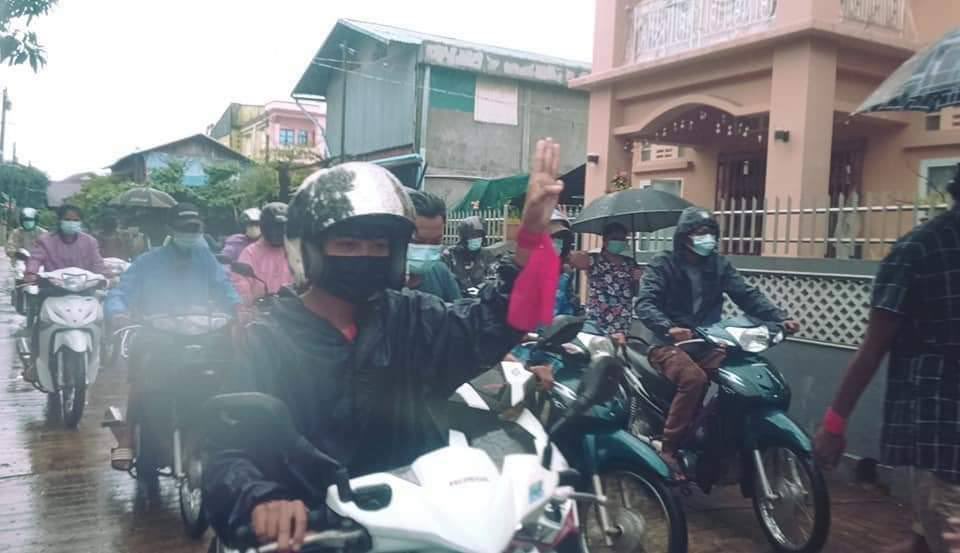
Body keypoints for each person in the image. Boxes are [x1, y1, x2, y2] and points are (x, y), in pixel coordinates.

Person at [203, 138, 564, 552]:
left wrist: (532, 236)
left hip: (419, 531)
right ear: (312, 250)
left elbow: (502, 321)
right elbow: (224, 452)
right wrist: (261, 499)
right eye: (348, 245)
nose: (366, 257)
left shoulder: (414, 317)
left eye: (379, 247)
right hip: (315, 534)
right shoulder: (261, 337)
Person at [814, 164, 960, 553]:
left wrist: (834, 423)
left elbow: (873, 348)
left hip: (941, 437)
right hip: (942, 437)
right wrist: (834, 423)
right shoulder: (920, 250)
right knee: (934, 530)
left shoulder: (917, 248)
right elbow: (874, 346)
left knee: (933, 531)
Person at [634, 207, 798, 475]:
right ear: (685, 236)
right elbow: (646, 303)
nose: (707, 238)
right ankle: (669, 448)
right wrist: (669, 327)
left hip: (708, 340)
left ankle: (719, 440)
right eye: (700, 233)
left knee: (744, 375)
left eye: (711, 232)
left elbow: (747, 295)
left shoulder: (719, 265)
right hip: (667, 343)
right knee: (693, 379)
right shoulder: (663, 264)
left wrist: (780, 317)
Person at [103, 202, 243, 471]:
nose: (189, 234)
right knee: (142, 379)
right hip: (157, 335)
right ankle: (129, 438)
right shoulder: (147, 261)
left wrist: (237, 307)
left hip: (202, 334)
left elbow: (225, 287)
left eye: (194, 229)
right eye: (184, 229)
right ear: (171, 230)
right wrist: (119, 312)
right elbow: (120, 293)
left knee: (228, 371)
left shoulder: (206, 260)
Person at [569, 222, 642, 342]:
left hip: (621, 320)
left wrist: (636, 279)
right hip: (598, 318)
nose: (618, 242)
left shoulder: (630, 263)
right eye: (614, 238)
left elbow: (634, 292)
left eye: (622, 239)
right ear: (605, 240)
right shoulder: (594, 260)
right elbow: (571, 259)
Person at [232, 202, 295, 306]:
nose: (278, 232)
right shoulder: (250, 253)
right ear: (264, 227)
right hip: (261, 313)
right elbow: (240, 284)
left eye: (282, 228)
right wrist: (245, 308)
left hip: (292, 312)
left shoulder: (296, 252)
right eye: (274, 228)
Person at [405, 190, 461, 302]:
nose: (426, 250)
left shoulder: (441, 274)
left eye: (435, 242)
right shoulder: (378, 281)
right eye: (417, 242)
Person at [443, 215, 503, 293]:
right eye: (472, 236)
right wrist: (463, 289)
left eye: (479, 235)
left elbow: (495, 276)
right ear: (464, 237)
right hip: (456, 298)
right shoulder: (450, 254)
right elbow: (445, 279)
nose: (476, 239)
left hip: (480, 298)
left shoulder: (486, 255)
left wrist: (481, 288)